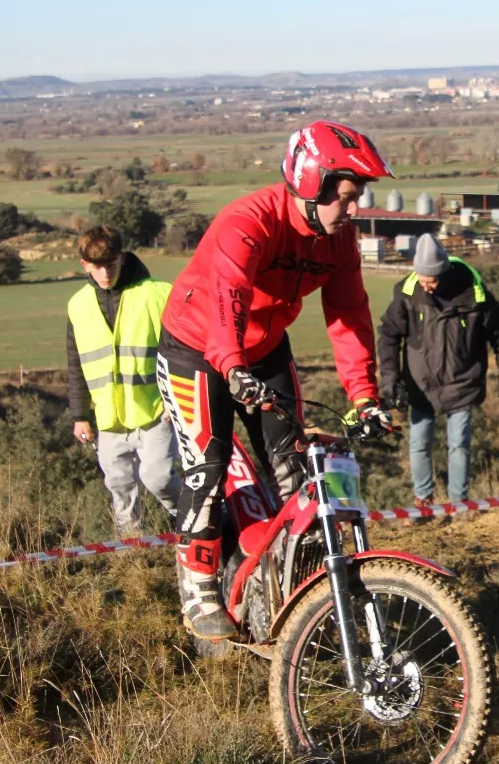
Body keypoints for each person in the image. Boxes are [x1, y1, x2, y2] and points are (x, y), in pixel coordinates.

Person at [155, 120, 394, 641]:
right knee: (208, 465)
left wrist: (364, 397)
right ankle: (199, 589)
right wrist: (232, 366)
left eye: (358, 197)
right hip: (197, 348)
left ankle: (292, 586)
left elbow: (349, 315)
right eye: (346, 198)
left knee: (294, 469)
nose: (354, 210)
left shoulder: (339, 239)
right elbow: (229, 296)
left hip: (263, 349)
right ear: (311, 184)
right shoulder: (248, 222)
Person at [378, 234, 499, 506]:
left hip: (462, 382)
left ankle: (458, 502)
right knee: (418, 444)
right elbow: (389, 336)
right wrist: (391, 377)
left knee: (459, 444)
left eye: (431, 281)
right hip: (421, 383)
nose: (426, 287)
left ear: (444, 273)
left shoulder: (474, 293)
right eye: (422, 280)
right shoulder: (407, 293)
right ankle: (423, 498)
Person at [65, 225, 180, 535]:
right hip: (109, 418)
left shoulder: (159, 293)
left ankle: (194, 528)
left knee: (158, 479)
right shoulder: (78, 305)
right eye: (97, 266)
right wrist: (79, 416)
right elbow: (76, 363)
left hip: (157, 411)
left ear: (123, 257)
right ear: (84, 265)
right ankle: (132, 550)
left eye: (111, 264)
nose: (105, 274)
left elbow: (183, 352)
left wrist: (176, 400)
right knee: (118, 484)